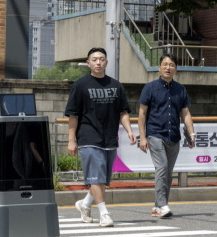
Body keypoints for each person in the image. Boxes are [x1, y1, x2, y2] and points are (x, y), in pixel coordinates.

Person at [65, 47, 136, 227]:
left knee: (101, 179)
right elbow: (73, 115)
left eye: (102, 59)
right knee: (96, 177)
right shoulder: (80, 85)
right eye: (94, 59)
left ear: (106, 62)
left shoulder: (115, 85)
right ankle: (104, 214)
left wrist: (129, 130)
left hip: (110, 138)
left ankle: (85, 204)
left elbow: (123, 112)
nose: (98, 62)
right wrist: (71, 140)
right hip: (88, 137)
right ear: (88, 63)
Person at [138, 53, 195, 218]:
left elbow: (186, 114)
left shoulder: (180, 89)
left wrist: (192, 133)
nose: (168, 67)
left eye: (171, 64)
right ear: (159, 68)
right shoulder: (150, 88)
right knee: (162, 167)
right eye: (165, 64)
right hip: (155, 133)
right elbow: (142, 114)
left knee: (167, 173)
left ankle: (157, 207)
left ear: (176, 68)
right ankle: (163, 205)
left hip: (174, 136)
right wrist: (142, 137)